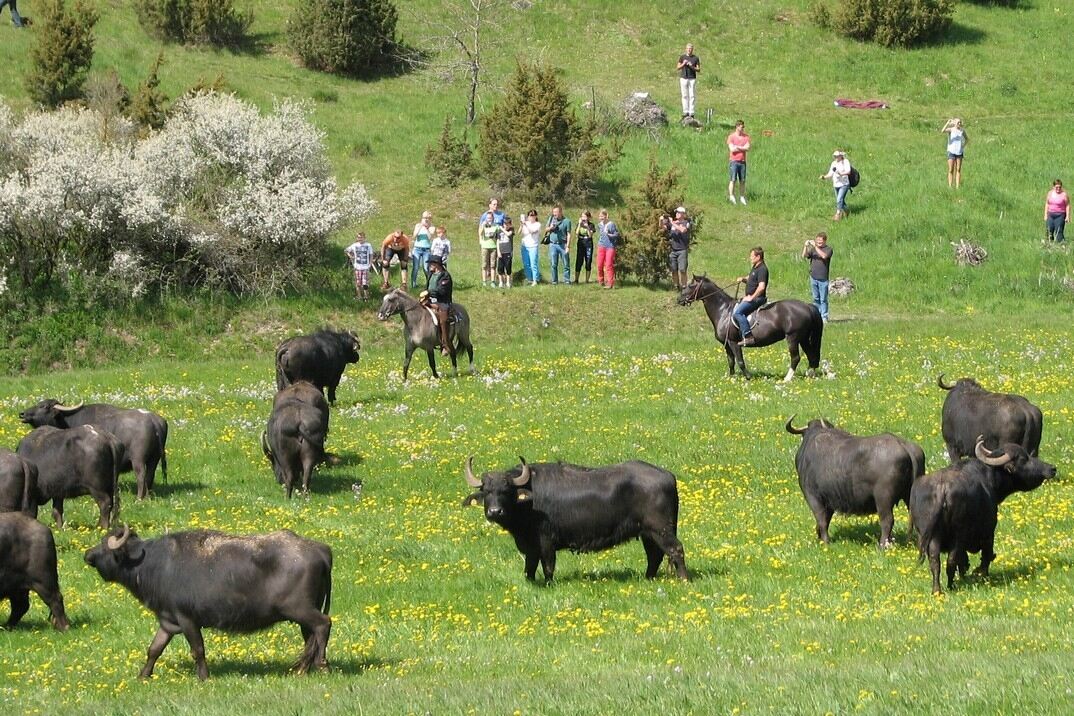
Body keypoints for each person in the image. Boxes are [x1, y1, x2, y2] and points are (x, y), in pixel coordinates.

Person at [420, 255, 454, 356]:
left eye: (431, 264)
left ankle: (445, 345)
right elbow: (428, 286)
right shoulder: (431, 274)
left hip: (442, 302)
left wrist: (429, 292)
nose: (429, 266)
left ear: (437, 265)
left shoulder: (445, 276)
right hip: (430, 300)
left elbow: (442, 291)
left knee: (443, 320)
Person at [734, 247, 768, 346]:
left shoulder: (762, 269)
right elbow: (752, 278)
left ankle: (748, 336)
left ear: (758, 257)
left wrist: (751, 298)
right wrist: (743, 279)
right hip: (752, 296)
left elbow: (761, 287)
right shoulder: (755, 267)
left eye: (752, 256)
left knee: (738, 313)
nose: (750, 258)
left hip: (758, 299)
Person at [802, 232, 833, 323]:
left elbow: (824, 256)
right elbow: (804, 256)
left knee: (823, 299)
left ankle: (824, 316)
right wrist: (805, 246)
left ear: (824, 241)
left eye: (820, 241)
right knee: (816, 298)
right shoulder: (813, 250)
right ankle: (817, 315)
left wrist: (815, 246)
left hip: (823, 278)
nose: (819, 243)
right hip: (813, 277)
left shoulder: (828, 249)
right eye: (817, 241)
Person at [821, 150, 852, 221]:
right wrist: (824, 177)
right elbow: (830, 174)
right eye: (834, 156)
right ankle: (847, 211)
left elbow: (848, 171)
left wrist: (841, 174)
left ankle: (837, 215)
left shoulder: (845, 162)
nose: (835, 157)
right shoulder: (833, 163)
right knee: (841, 201)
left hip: (844, 184)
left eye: (837, 156)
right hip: (836, 185)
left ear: (841, 156)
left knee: (839, 200)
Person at [545, 205, 572, 285]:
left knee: (566, 264)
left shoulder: (567, 221)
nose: (554, 214)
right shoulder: (551, 219)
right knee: (553, 264)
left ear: (561, 212)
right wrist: (550, 228)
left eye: (556, 212)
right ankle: (554, 281)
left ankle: (567, 280)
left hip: (563, 245)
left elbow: (569, 234)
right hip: (553, 244)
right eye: (553, 212)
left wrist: (568, 246)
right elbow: (546, 229)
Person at [343, 231, 374, 301]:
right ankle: (359, 296)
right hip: (357, 267)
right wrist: (350, 256)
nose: (360, 239)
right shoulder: (354, 245)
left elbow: (371, 254)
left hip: (365, 267)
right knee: (358, 283)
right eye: (359, 237)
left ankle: (366, 297)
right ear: (357, 238)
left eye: (361, 237)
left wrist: (370, 263)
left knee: (365, 283)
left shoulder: (368, 245)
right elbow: (346, 250)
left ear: (364, 238)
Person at [727, 120, 751, 205]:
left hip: (742, 161)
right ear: (737, 127)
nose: (743, 128)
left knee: (742, 180)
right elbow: (732, 149)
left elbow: (747, 148)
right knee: (733, 179)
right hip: (734, 161)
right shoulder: (731, 137)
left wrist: (737, 147)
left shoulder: (746, 137)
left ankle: (742, 196)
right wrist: (742, 147)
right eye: (741, 127)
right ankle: (731, 195)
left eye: (743, 127)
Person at [667, 206, 691, 290]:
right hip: (673, 250)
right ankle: (676, 286)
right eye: (676, 212)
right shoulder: (673, 223)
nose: (676, 214)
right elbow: (662, 227)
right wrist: (661, 220)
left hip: (682, 250)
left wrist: (672, 222)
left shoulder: (686, 223)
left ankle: (684, 286)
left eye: (678, 212)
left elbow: (682, 230)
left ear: (683, 214)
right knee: (673, 270)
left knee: (682, 269)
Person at [411, 211, 436, 288]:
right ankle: (413, 284)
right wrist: (420, 227)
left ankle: (428, 284)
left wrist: (426, 228)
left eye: (428, 218)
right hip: (417, 249)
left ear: (430, 219)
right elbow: (414, 236)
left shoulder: (432, 227)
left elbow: (429, 237)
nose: (426, 220)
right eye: (424, 218)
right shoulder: (418, 225)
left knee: (426, 268)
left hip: (426, 250)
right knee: (416, 267)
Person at [596, 208, 620, 289]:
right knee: (599, 265)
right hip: (601, 246)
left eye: (602, 216)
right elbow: (601, 235)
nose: (601, 218)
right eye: (600, 216)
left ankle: (610, 283)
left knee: (609, 265)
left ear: (606, 216)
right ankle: (601, 280)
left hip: (610, 247)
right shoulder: (599, 225)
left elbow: (616, 234)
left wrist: (610, 235)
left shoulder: (611, 224)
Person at [941, 118, 968, 189]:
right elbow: (942, 131)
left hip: (959, 152)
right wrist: (947, 122)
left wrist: (963, 146)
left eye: (960, 122)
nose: (959, 123)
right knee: (951, 170)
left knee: (958, 169)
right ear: (955, 123)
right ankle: (950, 186)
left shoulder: (962, 131)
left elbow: (967, 139)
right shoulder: (951, 129)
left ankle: (957, 186)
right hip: (951, 152)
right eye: (958, 122)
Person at [676, 43, 700, 120]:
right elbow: (678, 67)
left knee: (692, 95)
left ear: (692, 50)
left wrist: (691, 66)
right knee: (684, 95)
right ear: (686, 49)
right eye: (688, 48)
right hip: (683, 78)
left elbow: (698, 69)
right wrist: (683, 63)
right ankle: (685, 112)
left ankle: (691, 112)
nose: (689, 50)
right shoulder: (682, 57)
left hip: (692, 78)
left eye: (691, 49)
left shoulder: (695, 58)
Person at [478, 211, 502, 286]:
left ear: (493, 218)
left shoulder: (496, 226)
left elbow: (498, 236)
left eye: (490, 218)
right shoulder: (483, 225)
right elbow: (480, 233)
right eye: (488, 218)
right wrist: (483, 226)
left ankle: (493, 281)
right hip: (485, 247)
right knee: (484, 265)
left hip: (493, 247)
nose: (489, 219)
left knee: (493, 265)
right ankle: (484, 281)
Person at [520, 209, 543, 285]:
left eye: (533, 215)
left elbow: (532, 231)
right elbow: (519, 232)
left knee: (533, 264)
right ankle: (529, 278)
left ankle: (535, 280)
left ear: (536, 216)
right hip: (525, 246)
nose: (531, 217)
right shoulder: (525, 223)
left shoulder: (538, 224)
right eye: (530, 215)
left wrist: (526, 224)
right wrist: (522, 224)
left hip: (533, 246)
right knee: (526, 264)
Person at [1045, 179, 1070, 243]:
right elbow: (1047, 204)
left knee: (1059, 231)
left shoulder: (1064, 195)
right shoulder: (1050, 193)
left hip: (1060, 215)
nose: (1058, 189)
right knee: (1049, 230)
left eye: (1060, 187)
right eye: (1056, 187)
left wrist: (1067, 216)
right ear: (1053, 187)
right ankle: (1049, 245)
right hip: (1050, 214)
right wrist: (1045, 215)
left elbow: (1067, 205)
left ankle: (1062, 245)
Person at [574, 210, 595, 283]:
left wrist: (587, 227)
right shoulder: (579, 224)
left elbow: (590, 235)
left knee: (588, 261)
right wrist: (580, 224)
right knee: (579, 261)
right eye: (582, 216)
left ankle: (587, 280)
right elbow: (576, 233)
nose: (583, 218)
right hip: (580, 242)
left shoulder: (591, 225)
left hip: (588, 243)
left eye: (585, 216)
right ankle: (576, 279)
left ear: (588, 217)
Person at [497, 216, 515, 288]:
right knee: (500, 268)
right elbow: (498, 241)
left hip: (508, 252)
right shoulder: (499, 231)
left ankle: (508, 282)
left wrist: (501, 228)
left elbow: (508, 234)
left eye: (508, 224)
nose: (506, 226)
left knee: (508, 268)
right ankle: (501, 282)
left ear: (510, 224)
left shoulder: (511, 230)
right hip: (501, 252)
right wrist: (498, 251)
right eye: (505, 224)